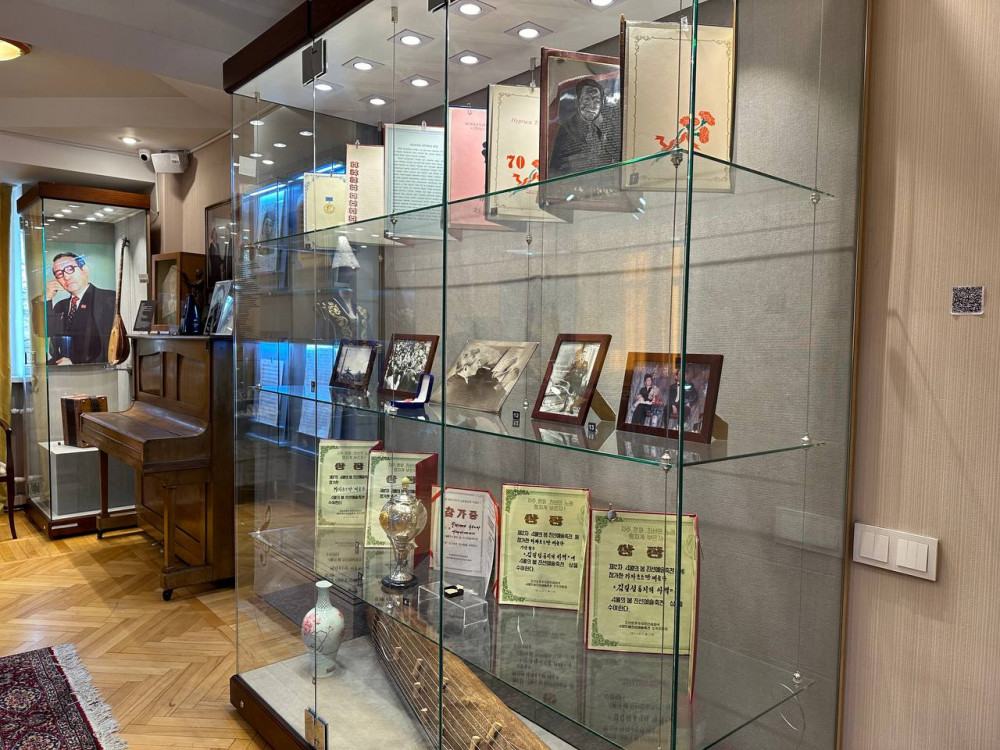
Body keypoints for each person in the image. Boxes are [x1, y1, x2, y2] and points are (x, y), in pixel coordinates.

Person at [46, 252, 116, 365]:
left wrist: (75, 363)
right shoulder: (61, 305)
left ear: (84, 270)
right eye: (59, 274)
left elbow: (109, 345)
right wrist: (47, 299)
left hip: (95, 369)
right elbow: (46, 333)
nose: (66, 277)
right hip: (61, 368)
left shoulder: (108, 298)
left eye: (70, 269)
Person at [548, 77, 621, 177]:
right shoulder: (567, 129)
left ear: (602, 104)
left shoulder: (603, 129)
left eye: (597, 101)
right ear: (578, 101)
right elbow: (555, 169)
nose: (592, 106)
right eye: (587, 99)